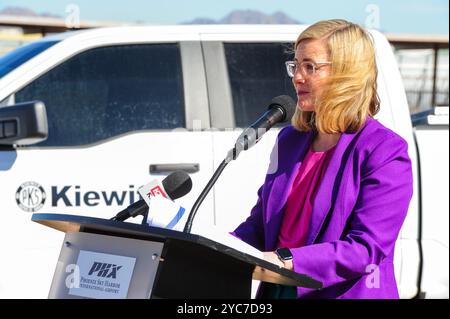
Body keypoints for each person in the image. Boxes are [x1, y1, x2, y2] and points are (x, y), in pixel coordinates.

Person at [232, 19, 413, 299]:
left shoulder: (384, 150)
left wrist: (285, 261)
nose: (297, 77)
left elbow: (367, 249)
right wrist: (214, 249)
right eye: (296, 65)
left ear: (346, 74)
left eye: (310, 67)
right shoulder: (289, 140)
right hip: (278, 291)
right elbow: (260, 224)